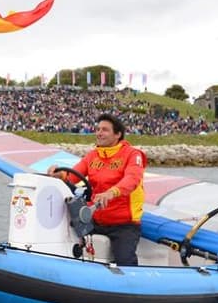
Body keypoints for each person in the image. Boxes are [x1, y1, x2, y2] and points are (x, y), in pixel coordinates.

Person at [48, 113, 146, 265]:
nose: (99, 133)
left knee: (125, 260)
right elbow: (73, 176)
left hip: (124, 225)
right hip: (95, 220)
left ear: (118, 134)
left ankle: (132, 284)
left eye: (105, 130)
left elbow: (132, 179)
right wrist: (59, 175)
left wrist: (111, 192)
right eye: (98, 129)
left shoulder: (132, 155)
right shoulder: (92, 156)